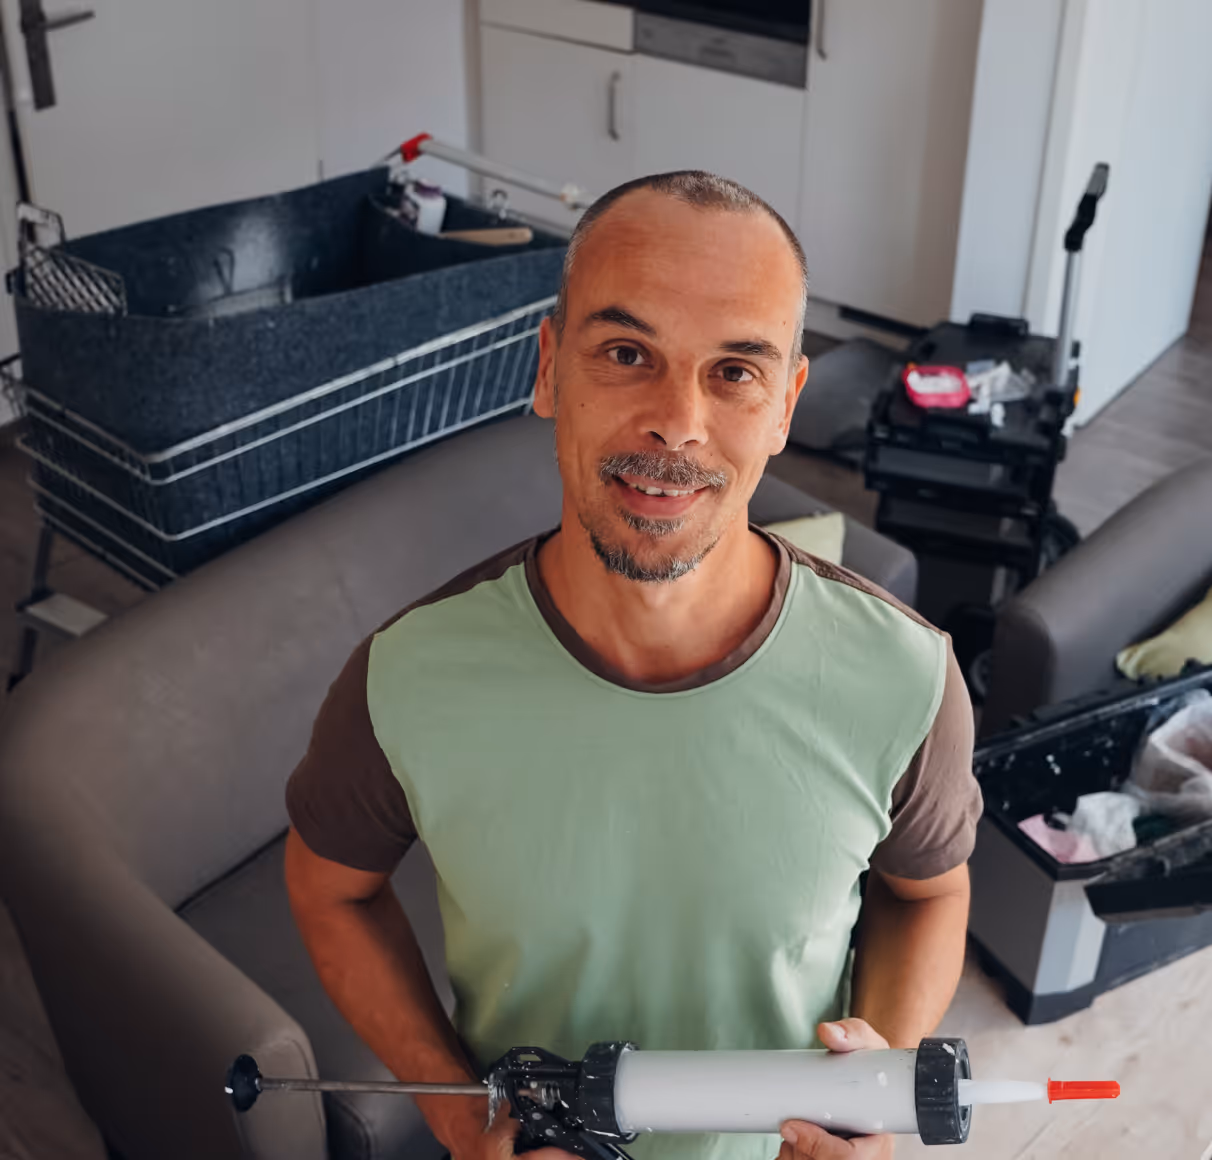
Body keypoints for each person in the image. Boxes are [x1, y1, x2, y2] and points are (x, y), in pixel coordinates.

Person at [285, 171, 980, 1160]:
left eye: (734, 371)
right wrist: (461, 1118)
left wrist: (878, 1083)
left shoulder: (908, 677)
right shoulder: (402, 679)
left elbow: (930, 893)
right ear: (548, 369)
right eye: (626, 353)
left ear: (785, 406)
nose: (677, 422)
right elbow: (331, 891)